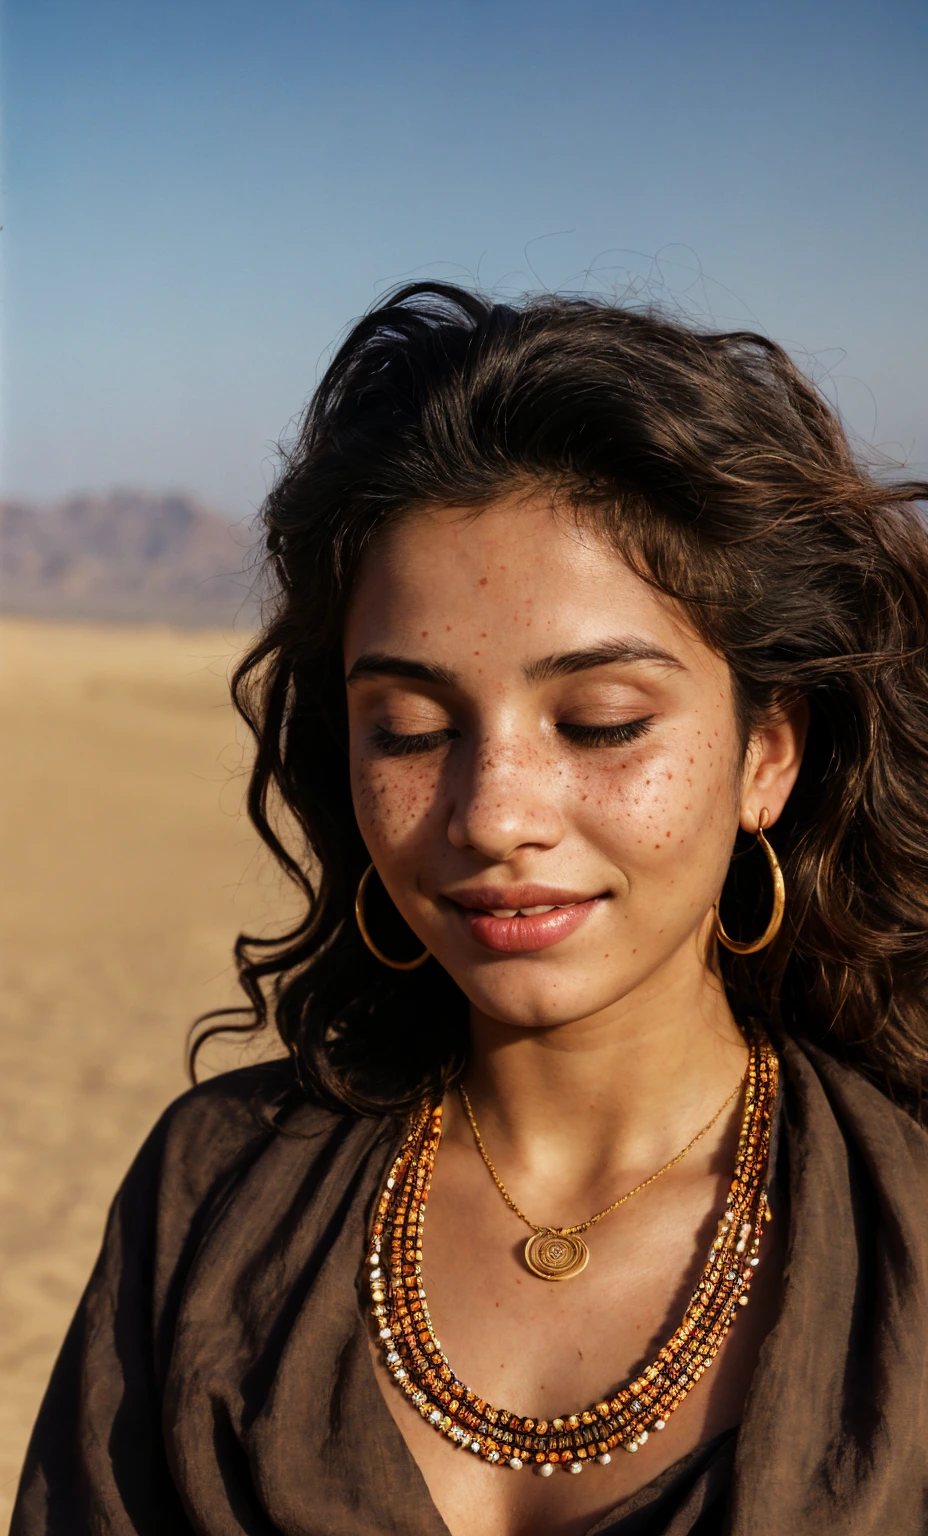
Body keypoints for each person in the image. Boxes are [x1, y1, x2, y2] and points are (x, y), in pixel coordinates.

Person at [12, 283, 928, 1536]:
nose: (494, 815)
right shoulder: (212, 1197)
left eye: (600, 723)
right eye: (411, 728)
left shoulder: (906, 1239)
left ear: (765, 755)